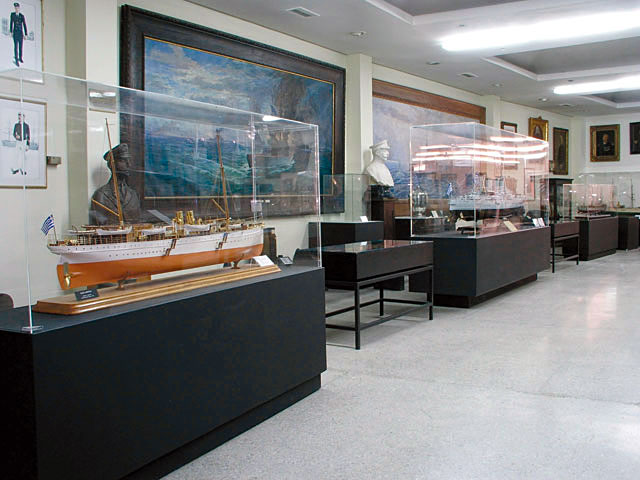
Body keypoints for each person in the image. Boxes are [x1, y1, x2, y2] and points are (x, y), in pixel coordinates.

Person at [89, 144, 141, 225]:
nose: (128, 164)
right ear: (112, 164)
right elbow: (98, 226)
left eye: (129, 160)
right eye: (123, 160)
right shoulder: (101, 195)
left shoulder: (133, 195)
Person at [10, 2, 28, 67]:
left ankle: (20, 58)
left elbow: (24, 25)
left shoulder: (21, 16)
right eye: (15, 8)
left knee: (20, 46)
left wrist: (26, 34)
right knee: (16, 46)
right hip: (15, 33)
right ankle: (16, 59)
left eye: (17, 8)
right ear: (14, 8)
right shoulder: (12, 15)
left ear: (19, 8)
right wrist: (11, 32)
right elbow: (11, 23)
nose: (16, 9)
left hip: (20, 33)